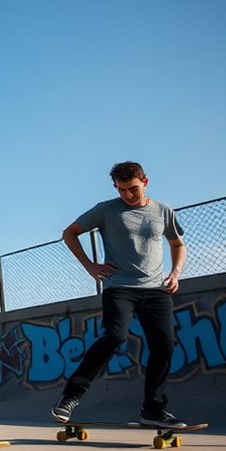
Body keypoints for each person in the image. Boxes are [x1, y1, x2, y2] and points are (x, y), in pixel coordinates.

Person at [51, 161, 187, 428]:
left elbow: (177, 243)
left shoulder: (163, 211)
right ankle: (71, 396)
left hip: (155, 288)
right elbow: (69, 233)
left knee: (164, 343)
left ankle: (153, 409)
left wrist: (176, 272)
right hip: (119, 287)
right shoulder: (106, 210)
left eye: (133, 189)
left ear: (145, 182)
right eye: (121, 190)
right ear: (115, 187)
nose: (127, 195)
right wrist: (90, 266)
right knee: (115, 335)